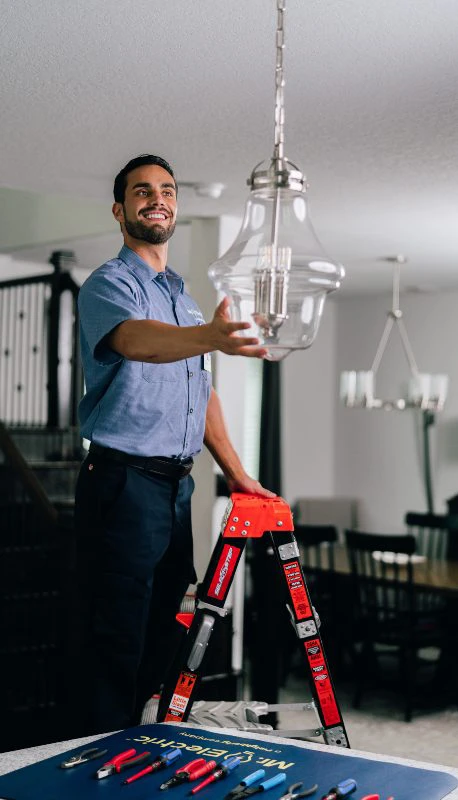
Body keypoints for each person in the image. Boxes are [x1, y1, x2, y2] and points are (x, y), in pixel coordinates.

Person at [74, 153, 274, 735]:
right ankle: (95, 762)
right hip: (121, 481)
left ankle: (136, 742)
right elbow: (137, 341)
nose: (156, 198)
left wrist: (236, 472)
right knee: (114, 633)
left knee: (165, 623)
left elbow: (201, 390)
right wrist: (206, 335)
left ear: (176, 206)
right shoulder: (110, 285)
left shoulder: (181, 298)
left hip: (174, 487)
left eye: (166, 190)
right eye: (141, 191)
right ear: (120, 209)